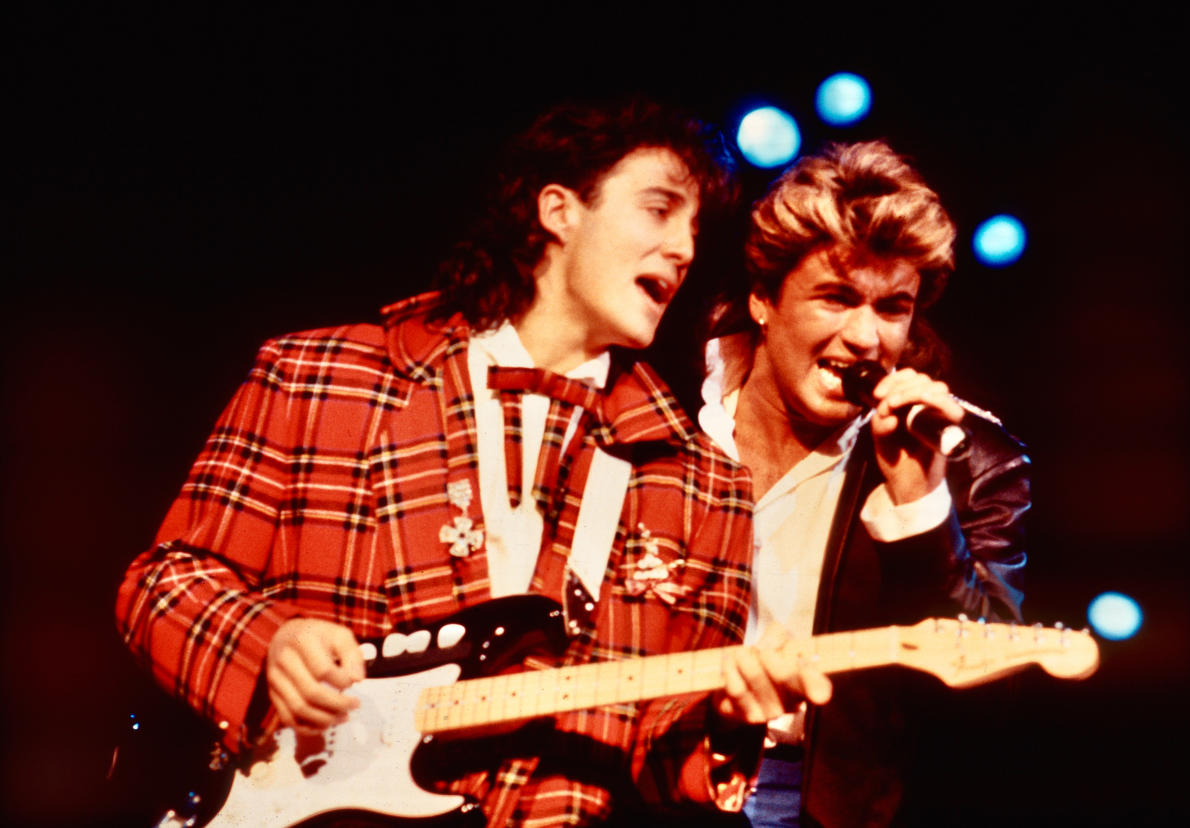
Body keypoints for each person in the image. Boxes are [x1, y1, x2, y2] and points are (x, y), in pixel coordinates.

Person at [115, 98, 766, 826]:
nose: (683, 248)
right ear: (558, 210)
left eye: (696, 229)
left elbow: (664, 762)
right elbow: (161, 584)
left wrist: (730, 723)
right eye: (659, 210)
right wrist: (270, 647)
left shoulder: (705, 484)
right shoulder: (319, 374)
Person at [696, 141, 1030, 827]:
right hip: (654, 780)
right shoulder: (660, 412)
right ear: (763, 298)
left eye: (892, 308)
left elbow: (985, 702)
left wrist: (919, 509)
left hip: (825, 806)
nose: (865, 337)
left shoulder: (970, 458)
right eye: (837, 297)